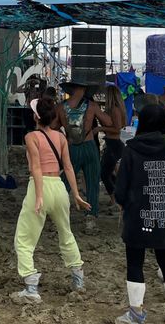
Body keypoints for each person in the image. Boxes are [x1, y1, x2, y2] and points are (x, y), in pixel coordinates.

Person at [114, 100, 165, 324]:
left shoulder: (131, 149)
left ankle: (136, 313)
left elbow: (121, 188)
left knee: (135, 262)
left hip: (136, 216)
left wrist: (124, 203)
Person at [11, 96, 90, 304]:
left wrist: (38, 196)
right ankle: (78, 279)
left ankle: (30, 287)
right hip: (59, 187)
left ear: (36, 116)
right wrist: (76, 194)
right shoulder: (61, 137)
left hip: (40, 186)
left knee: (24, 239)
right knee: (66, 233)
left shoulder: (31, 137)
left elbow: (36, 167)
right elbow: (69, 167)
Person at [57, 79, 111, 230]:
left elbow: (53, 126)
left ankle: (57, 213)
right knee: (92, 182)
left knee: (64, 182)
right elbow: (107, 121)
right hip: (89, 146)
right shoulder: (92, 106)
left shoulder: (61, 107)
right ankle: (90, 218)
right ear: (83, 89)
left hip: (71, 147)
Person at [100, 84, 128, 206]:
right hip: (114, 143)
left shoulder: (115, 109)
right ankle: (117, 197)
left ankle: (115, 198)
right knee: (110, 172)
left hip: (113, 144)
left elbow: (117, 129)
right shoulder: (116, 108)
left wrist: (100, 128)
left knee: (105, 173)